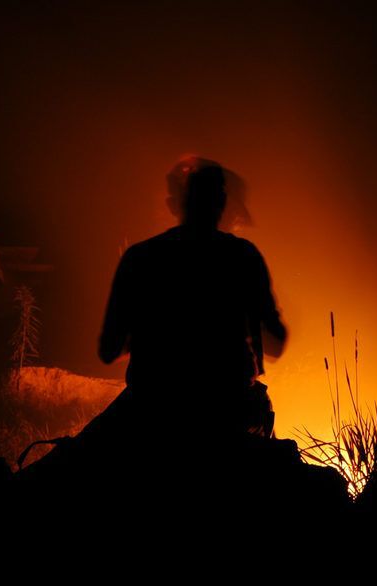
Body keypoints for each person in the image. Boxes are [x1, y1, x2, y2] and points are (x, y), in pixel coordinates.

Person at [98, 155, 288, 432]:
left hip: (150, 413)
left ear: (178, 204)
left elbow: (108, 350)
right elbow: (276, 344)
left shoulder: (139, 257)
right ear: (222, 204)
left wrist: (152, 334)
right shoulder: (244, 256)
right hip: (228, 414)